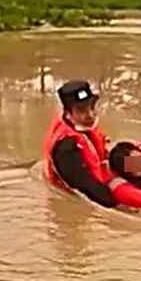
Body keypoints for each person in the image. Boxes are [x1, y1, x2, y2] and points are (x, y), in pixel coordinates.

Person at [43, 80, 116, 208]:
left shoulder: (82, 126)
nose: (90, 115)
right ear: (68, 113)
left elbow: (106, 155)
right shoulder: (66, 148)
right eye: (81, 110)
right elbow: (88, 188)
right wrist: (120, 205)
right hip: (85, 193)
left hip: (101, 173)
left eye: (91, 106)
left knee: (136, 160)